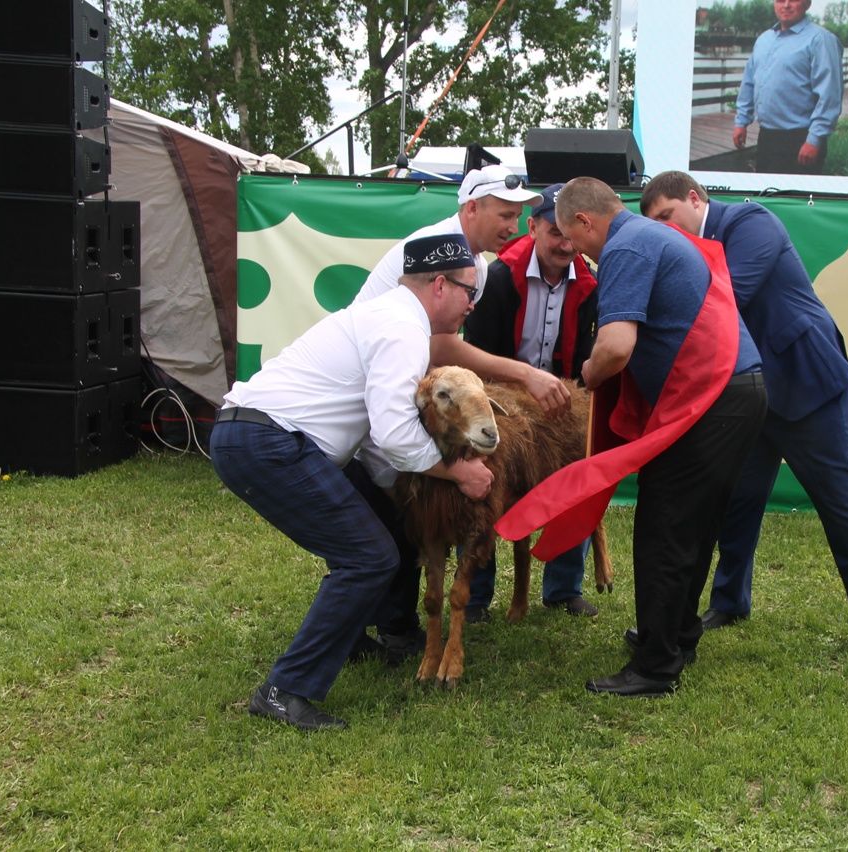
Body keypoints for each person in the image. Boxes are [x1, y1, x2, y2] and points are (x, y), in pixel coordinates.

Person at [211, 235, 495, 730]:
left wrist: (399, 493)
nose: (474, 303)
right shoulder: (402, 329)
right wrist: (458, 472)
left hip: (263, 436)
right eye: (471, 291)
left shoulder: (388, 317)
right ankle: (286, 690)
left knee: (386, 526)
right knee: (369, 556)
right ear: (441, 285)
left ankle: (358, 637)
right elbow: (393, 433)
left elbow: (373, 444)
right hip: (268, 443)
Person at [639, 170, 848, 661]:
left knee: (840, 500)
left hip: (808, 385)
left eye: (668, 216)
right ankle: (731, 602)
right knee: (736, 502)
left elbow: (725, 298)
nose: (666, 229)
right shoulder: (689, 248)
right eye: (655, 225)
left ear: (694, 198)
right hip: (748, 396)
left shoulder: (752, 221)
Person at [554, 177, 767, 697]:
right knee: (691, 527)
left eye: (572, 238)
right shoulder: (652, 236)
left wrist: (586, 374)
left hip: (713, 396)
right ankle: (672, 635)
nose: (573, 251)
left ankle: (654, 666)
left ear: (586, 221)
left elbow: (616, 347)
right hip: (737, 392)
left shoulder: (625, 247)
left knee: (664, 528)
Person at [349, 166, 570, 653]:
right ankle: (386, 626)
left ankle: (394, 623)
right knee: (397, 516)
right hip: (378, 401)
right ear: (471, 207)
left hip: (408, 397)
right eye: (504, 214)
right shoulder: (439, 250)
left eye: (517, 216)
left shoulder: (477, 264)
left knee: (408, 515)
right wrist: (524, 373)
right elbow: (442, 345)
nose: (512, 225)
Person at [460, 183, 601, 621]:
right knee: (481, 487)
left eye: (569, 235)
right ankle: (478, 595)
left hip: (560, 407)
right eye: (554, 232)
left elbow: (584, 364)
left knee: (574, 481)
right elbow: (479, 355)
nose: (563, 244)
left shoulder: (593, 286)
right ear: (533, 226)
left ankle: (563, 588)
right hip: (499, 402)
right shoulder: (497, 278)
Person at [732, 0, 843, 175]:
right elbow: (749, 82)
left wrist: (814, 140)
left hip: (800, 139)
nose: (786, 5)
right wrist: (741, 121)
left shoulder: (820, 40)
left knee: (796, 200)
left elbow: (829, 95)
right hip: (766, 137)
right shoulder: (763, 40)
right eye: (781, 0)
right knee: (765, 197)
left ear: (807, 4)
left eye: (794, 0)